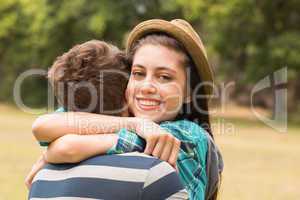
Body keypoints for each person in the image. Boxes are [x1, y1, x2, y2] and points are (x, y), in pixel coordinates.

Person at [27, 19, 223, 200]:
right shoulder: (129, 123)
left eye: (164, 77)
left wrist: (48, 154)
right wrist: (135, 123)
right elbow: (43, 124)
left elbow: (66, 147)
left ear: (189, 92)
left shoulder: (190, 136)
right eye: (138, 73)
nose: (146, 86)